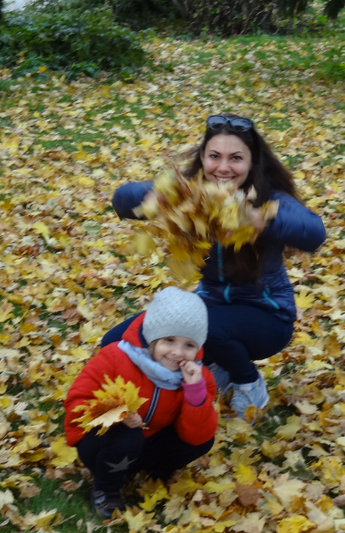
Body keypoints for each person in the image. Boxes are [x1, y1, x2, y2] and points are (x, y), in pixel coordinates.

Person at [103, 113, 326, 419]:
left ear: (252, 162)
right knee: (115, 341)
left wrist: (264, 220)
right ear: (203, 158)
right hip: (210, 304)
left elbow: (314, 233)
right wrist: (153, 197)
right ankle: (213, 364)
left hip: (267, 315)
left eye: (236, 158)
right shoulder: (190, 194)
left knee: (207, 329)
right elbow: (121, 200)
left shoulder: (269, 200)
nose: (223, 167)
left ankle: (248, 383)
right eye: (214, 156)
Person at [64, 287, 218, 518]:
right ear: (152, 336)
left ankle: (157, 472)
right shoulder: (115, 357)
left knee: (205, 439)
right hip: (104, 445)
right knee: (129, 437)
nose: (178, 352)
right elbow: (76, 405)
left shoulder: (198, 375)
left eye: (189, 345)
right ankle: (106, 489)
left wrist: (195, 393)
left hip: (147, 446)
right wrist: (117, 413)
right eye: (169, 340)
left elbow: (197, 436)